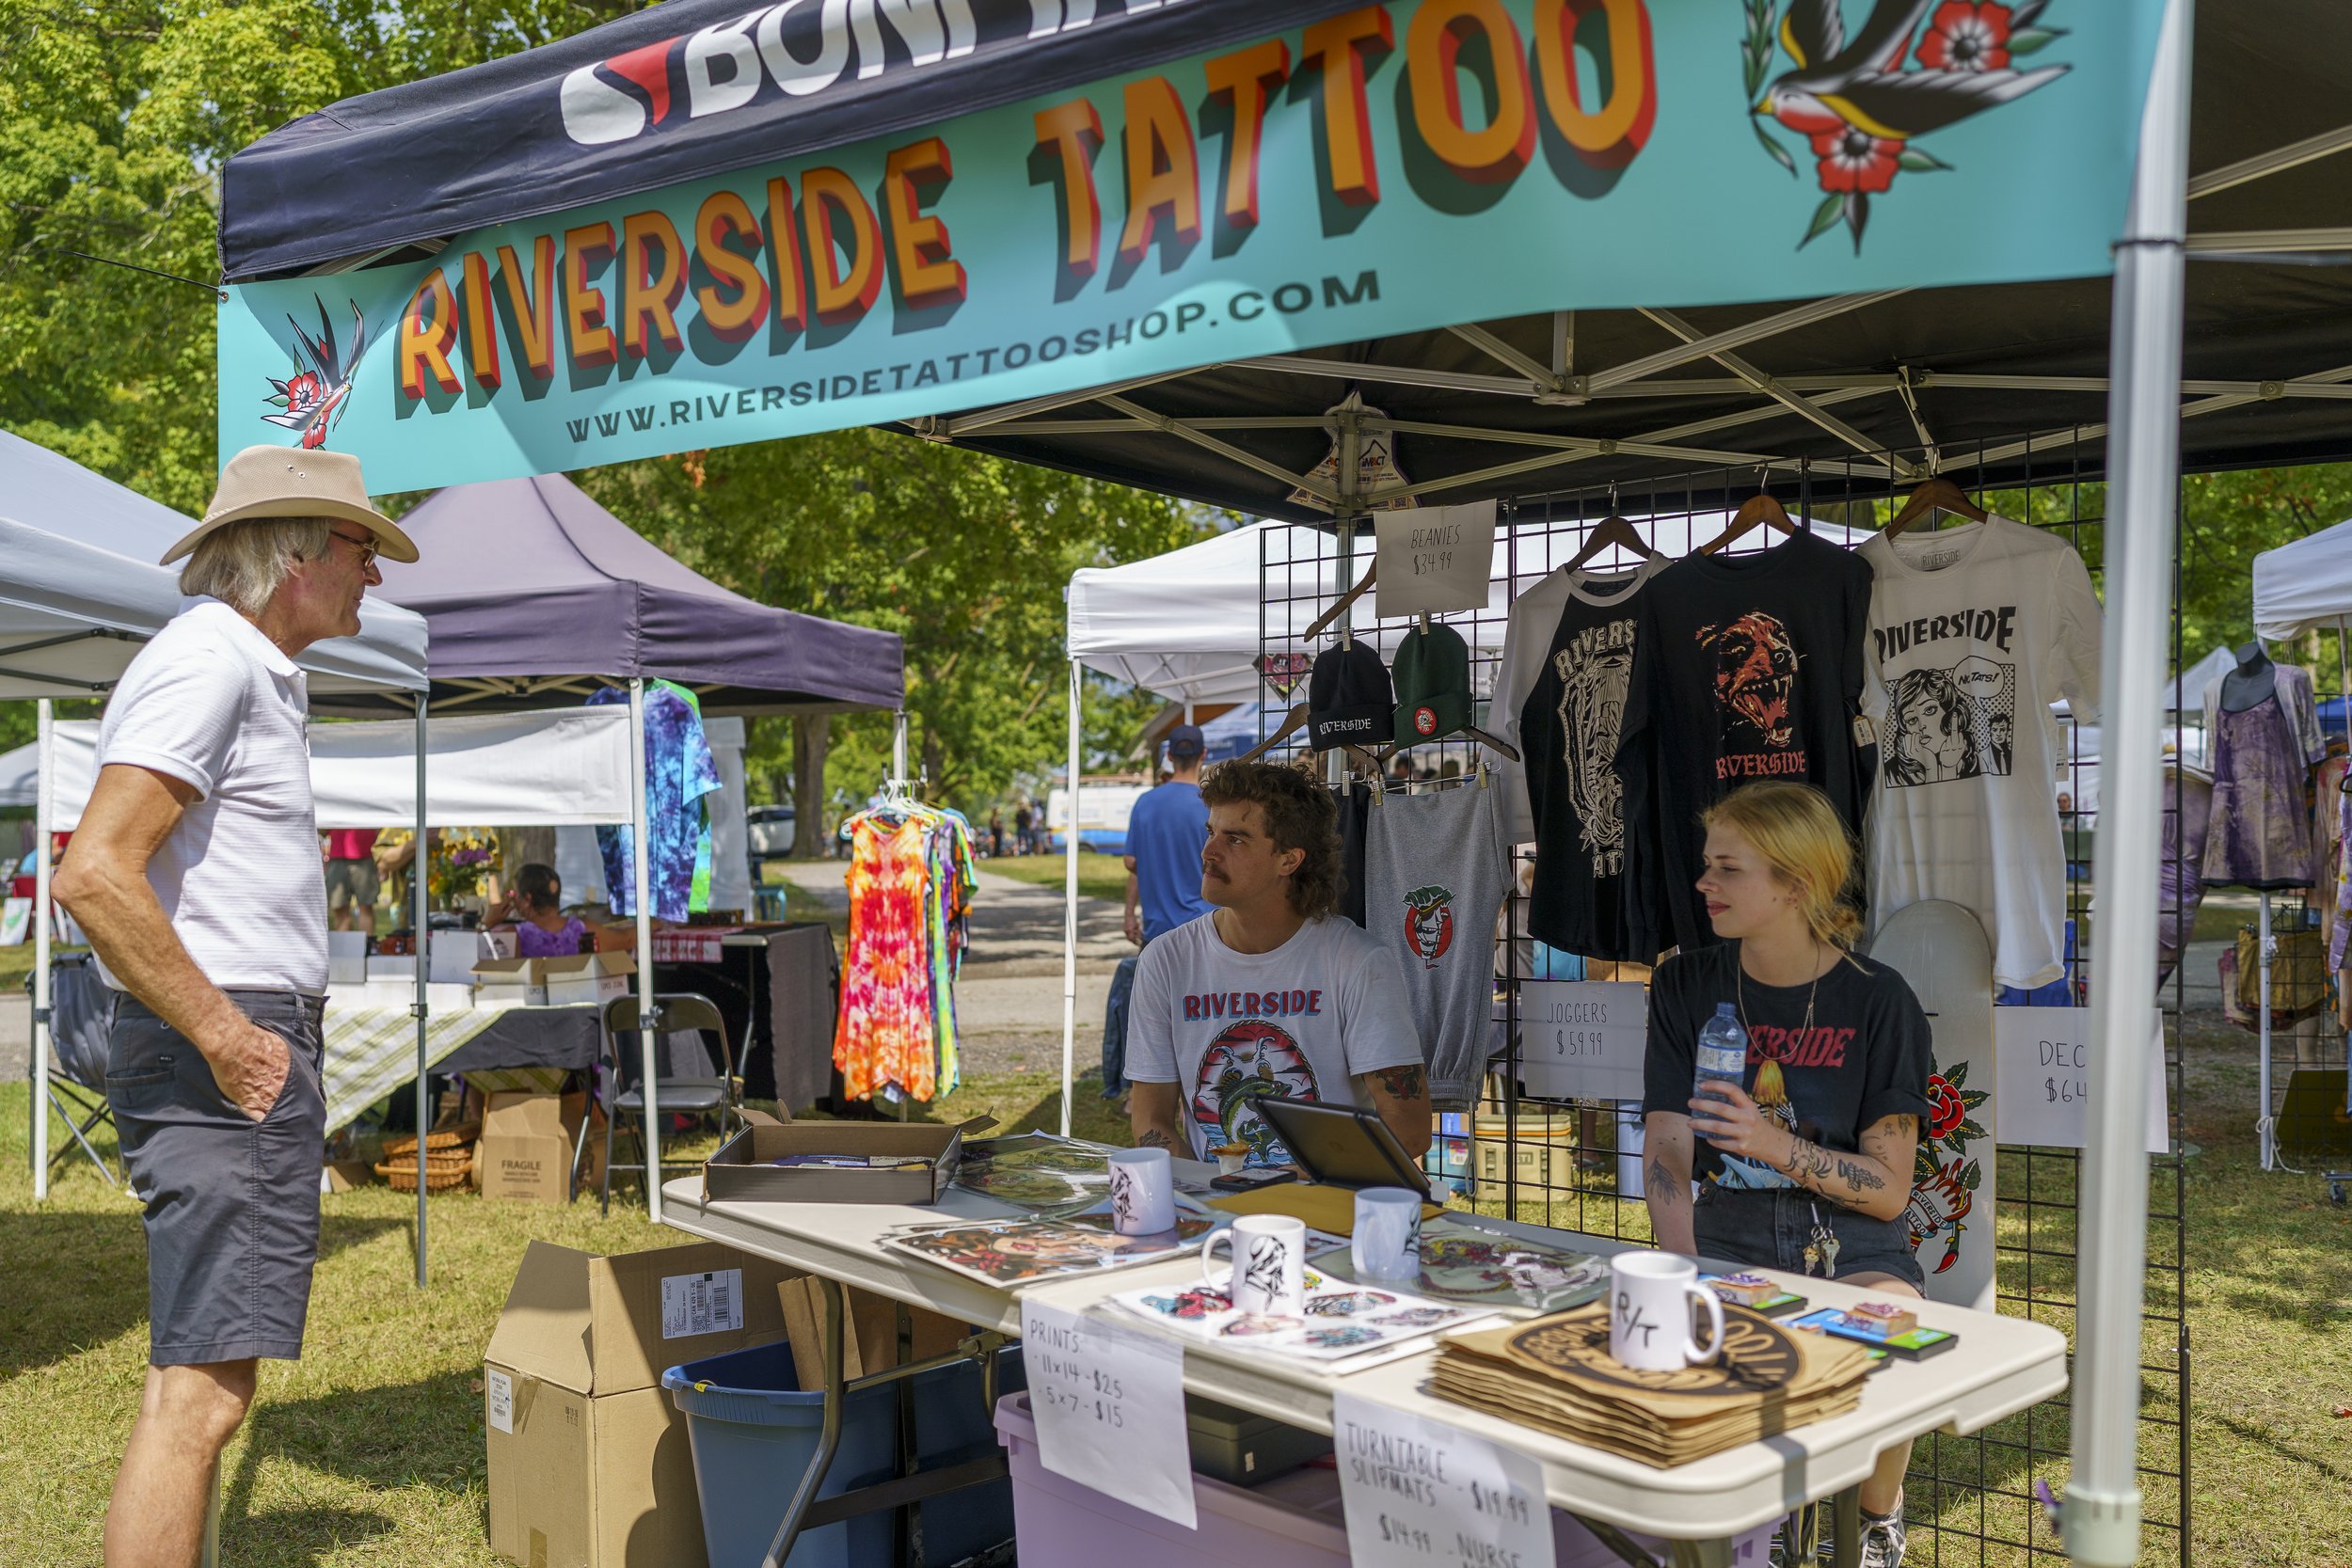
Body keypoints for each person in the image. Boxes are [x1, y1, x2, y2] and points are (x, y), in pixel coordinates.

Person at [53, 445, 417, 1568]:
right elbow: (94, 872)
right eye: (363, 547)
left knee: (197, 1378)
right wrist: (228, 1036)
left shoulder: (232, 663)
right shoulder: (212, 660)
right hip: (220, 1039)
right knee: (203, 1394)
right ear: (296, 548)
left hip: (222, 1032)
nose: (375, 574)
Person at [1639, 781, 1931, 1568]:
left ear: (1795, 884)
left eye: (1727, 869)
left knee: (1891, 1337)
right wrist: (1682, 1267)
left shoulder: (1880, 1001)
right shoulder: (1684, 984)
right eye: (1707, 865)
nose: (1703, 884)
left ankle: (1873, 1515)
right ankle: (1763, 1516)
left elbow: (1892, 1188)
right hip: (1723, 1227)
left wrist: (1774, 1144)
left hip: (1852, 1242)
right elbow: (1667, 1145)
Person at [1126, 760, 1430, 1167]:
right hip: (1217, 1207)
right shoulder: (1165, 960)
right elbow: (1151, 1122)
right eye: (1211, 832)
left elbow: (1408, 1127)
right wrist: (1210, 1195)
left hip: (1326, 1210)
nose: (1208, 852)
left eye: (1235, 839)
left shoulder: (1357, 961)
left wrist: (1288, 1192)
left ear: (1289, 860)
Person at [1102, 726, 1214, 1102]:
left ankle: (1145, 1094)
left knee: (1156, 1022)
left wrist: (1128, 912)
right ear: (1203, 754)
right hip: (1206, 930)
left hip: (1157, 932)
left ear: (1169, 757)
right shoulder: (1209, 804)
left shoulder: (1145, 803)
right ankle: (1193, 1097)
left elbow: (1132, 862)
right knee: (1200, 1021)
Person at [487, 862, 592, 958]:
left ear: (527, 899)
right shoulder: (586, 930)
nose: (513, 900)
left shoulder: (514, 936)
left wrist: (488, 923)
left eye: (514, 894)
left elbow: (474, 957)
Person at [321, 827, 379, 932]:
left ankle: (367, 947)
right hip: (336, 856)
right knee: (339, 908)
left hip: (364, 854)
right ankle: (344, 948)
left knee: (365, 907)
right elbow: (323, 829)